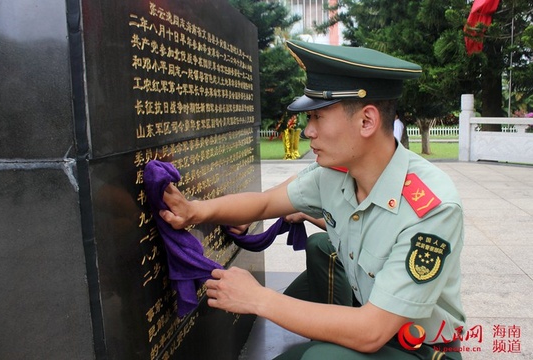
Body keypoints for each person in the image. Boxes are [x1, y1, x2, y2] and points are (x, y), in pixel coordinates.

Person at [159, 40, 466, 359]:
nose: (308, 132)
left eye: (317, 117)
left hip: (422, 348)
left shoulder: (431, 209)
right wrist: (193, 211)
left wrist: (257, 298)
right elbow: (264, 204)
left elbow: (372, 331)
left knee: (320, 357)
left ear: (366, 121)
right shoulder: (334, 174)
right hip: (374, 328)